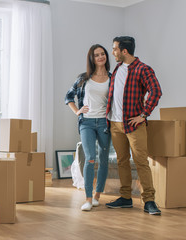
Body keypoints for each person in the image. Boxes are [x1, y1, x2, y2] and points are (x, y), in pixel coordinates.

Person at [105, 36, 162, 215]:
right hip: (115, 123)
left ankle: (149, 201)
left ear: (124, 51)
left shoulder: (143, 69)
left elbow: (156, 91)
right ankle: (126, 198)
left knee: (141, 162)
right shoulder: (117, 69)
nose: (112, 52)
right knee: (122, 161)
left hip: (133, 124)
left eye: (115, 49)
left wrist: (143, 114)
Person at [65, 44, 112, 211]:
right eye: (96, 55)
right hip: (87, 123)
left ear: (106, 56)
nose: (100, 57)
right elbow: (68, 97)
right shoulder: (84, 78)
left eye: (102, 54)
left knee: (104, 159)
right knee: (90, 157)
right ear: (91, 58)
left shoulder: (112, 78)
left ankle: (98, 194)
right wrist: (78, 111)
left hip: (105, 123)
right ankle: (88, 198)